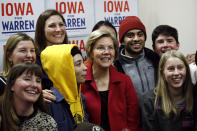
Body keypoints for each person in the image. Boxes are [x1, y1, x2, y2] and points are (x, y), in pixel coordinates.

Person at [82, 30, 141, 131]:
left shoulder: (125, 81)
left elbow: (134, 119)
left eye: (110, 48)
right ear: (91, 52)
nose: (107, 52)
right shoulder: (81, 82)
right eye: (100, 48)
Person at [141, 50, 194, 131]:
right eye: (171, 69)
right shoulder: (150, 101)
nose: (176, 73)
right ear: (162, 72)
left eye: (180, 68)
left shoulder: (195, 96)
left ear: (186, 69)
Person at [41, 44, 88, 129]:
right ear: (63, 70)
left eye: (83, 62)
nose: (85, 68)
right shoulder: (48, 102)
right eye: (78, 64)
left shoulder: (80, 97)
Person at [0, 63, 57, 131]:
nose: (34, 85)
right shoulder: (2, 113)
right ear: (12, 85)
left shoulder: (47, 124)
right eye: (27, 79)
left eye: (38, 81)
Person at [114, 16, 159, 97]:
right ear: (122, 41)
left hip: (157, 109)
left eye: (140, 34)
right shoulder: (115, 65)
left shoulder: (155, 59)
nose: (136, 39)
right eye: (130, 36)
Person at [34, 9, 68, 102]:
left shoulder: (71, 54)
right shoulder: (34, 60)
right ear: (42, 30)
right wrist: (37, 95)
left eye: (61, 25)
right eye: (52, 26)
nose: (58, 29)